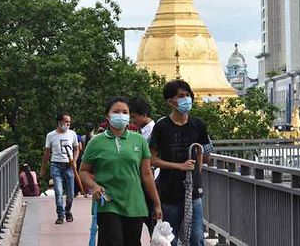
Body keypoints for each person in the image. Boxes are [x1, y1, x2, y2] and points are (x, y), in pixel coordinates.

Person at [80, 96, 162, 246]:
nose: (121, 115)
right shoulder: (96, 142)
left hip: (134, 204)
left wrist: (156, 203)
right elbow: (83, 171)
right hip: (108, 202)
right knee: (113, 241)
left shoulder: (139, 140)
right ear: (108, 115)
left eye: (125, 112)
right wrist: (94, 186)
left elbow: (147, 174)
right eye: (116, 111)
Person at [150, 80, 212, 246]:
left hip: (193, 191)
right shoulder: (161, 126)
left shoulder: (198, 125)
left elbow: (204, 154)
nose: (186, 99)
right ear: (171, 101)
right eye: (181, 96)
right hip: (170, 191)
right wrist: (179, 166)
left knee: (197, 237)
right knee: (170, 238)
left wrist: (196, 172)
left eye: (188, 95)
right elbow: (152, 159)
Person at [39, 111, 78, 224]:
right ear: (59, 122)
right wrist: (43, 168)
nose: (68, 124)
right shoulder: (51, 135)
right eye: (66, 122)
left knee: (70, 192)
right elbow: (47, 153)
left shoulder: (72, 134)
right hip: (56, 165)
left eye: (69, 122)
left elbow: (76, 149)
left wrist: (74, 160)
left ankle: (68, 211)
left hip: (69, 165)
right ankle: (60, 215)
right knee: (59, 191)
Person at [129, 97, 157, 235]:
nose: (132, 121)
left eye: (134, 117)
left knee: (153, 224)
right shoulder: (139, 133)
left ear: (144, 114)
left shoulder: (155, 132)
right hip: (139, 183)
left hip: (152, 182)